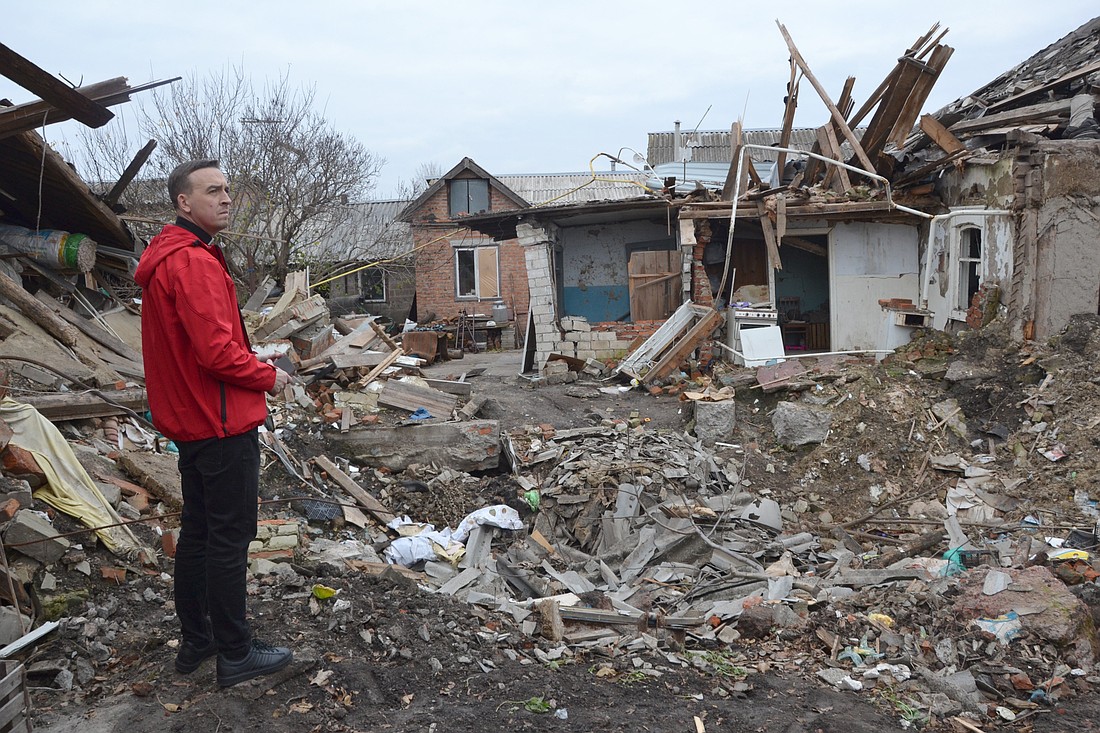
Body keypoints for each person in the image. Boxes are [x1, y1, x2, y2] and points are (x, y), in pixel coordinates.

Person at [134, 159, 293, 688]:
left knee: (200, 535)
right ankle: (236, 652)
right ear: (184, 203)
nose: (226, 198)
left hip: (192, 422)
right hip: (219, 422)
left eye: (227, 189)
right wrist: (268, 376)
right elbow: (217, 353)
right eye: (213, 191)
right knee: (228, 538)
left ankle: (197, 644)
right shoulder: (194, 264)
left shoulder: (171, 258)